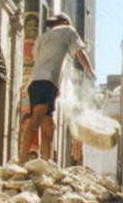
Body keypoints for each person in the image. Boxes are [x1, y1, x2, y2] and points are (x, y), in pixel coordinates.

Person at [20, 14, 94, 164]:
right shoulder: (68, 30)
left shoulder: (42, 38)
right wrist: (90, 71)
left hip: (37, 82)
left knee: (49, 126)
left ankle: (46, 163)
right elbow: (80, 54)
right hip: (46, 82)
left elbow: (38, 60)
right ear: (66, 22)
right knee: (35, 121)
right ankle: (22, 160)